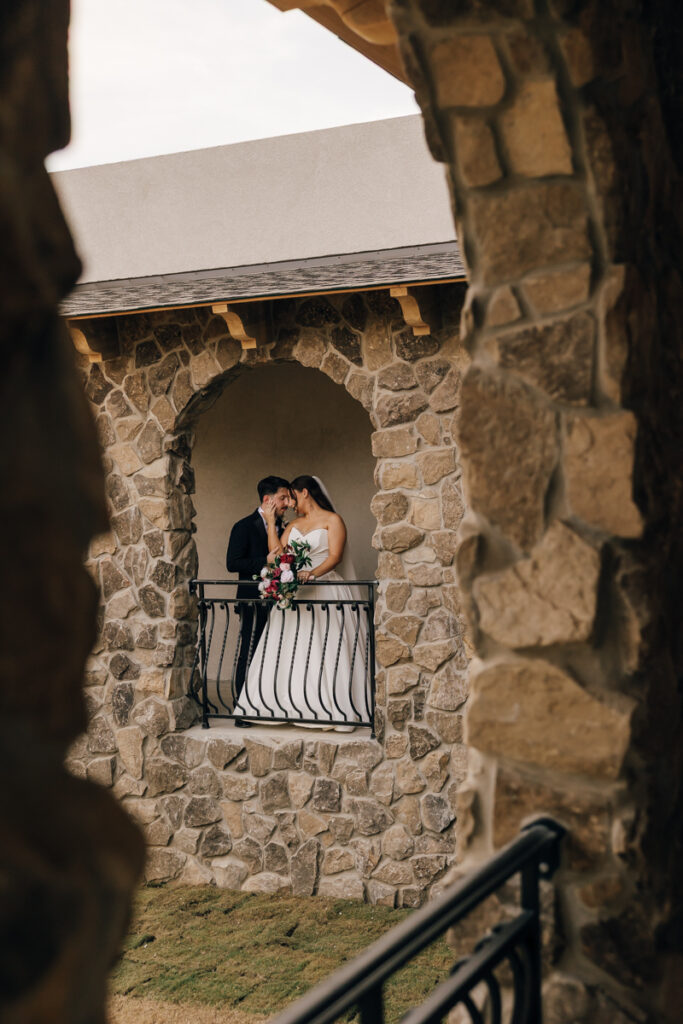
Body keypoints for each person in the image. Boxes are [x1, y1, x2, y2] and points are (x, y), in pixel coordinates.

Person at [233, 475, 370, 731]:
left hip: (324, 589)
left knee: (326, 648)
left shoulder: (333, 521)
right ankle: (288, 705)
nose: (291, 503)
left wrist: (313, 574)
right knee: (290, 651)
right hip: (296, 594)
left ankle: (330, 708)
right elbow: (278, 556)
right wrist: (273, 523)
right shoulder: (292, 524)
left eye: (293, 497)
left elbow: (336, 556)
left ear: (304, 492)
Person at [225, 476, 292, 726]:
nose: (287, 502)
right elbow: (233, 563)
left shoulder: (284, 528)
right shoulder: (243, 526)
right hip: (253, 601)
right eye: (283, 497)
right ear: (268, 499)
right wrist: (265, 561)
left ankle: (266, 704)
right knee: (249, 653)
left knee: (272, 654)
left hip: (279, 602)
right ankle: (241, 708)